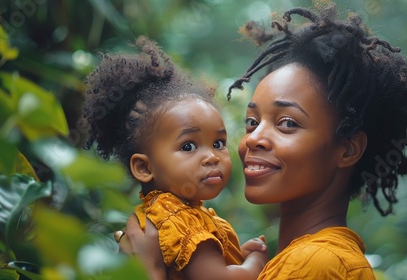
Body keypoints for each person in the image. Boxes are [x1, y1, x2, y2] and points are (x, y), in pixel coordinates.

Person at [120, 2, 407, 279]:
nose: (254, 139)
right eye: (252, 122)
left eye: (287, 123)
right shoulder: (287, 263)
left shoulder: (319, 264)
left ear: (347, 148)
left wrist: (147, 271)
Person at [82, 36, 268, 280]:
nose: (212, 157)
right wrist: (256, 262)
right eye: (189, 146)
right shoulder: (177, 219)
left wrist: (234, 258)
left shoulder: (171, 216)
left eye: (218, 143)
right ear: (144, 167)